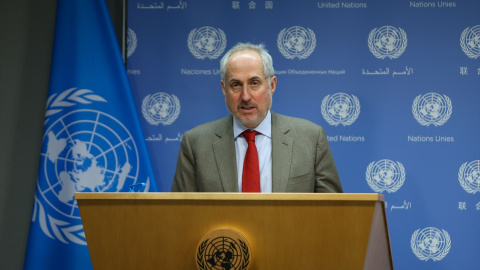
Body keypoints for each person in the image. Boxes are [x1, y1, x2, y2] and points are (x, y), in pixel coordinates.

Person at [171, 43, 342, 193]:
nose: (245, 96)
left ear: (271, 85)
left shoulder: (311, 138)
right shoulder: (195, 143)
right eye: (236, 85)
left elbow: (333, 213)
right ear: (224, 88)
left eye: (254, 83)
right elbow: (180, 215)